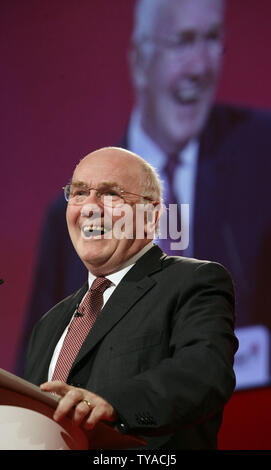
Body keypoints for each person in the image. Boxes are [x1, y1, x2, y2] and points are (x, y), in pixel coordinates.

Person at [17, 0, 271, 376]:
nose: (201, 67)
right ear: (140, 61)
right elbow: (34, 379)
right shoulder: (67, 220)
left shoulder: (261, 157)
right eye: (183, 41)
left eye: (212, 38)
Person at [24, 146, 238, 450]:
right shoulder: (49, 323)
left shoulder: (193, 281)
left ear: (151, 216)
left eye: (111, 194)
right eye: (80, 192)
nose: (89, 207)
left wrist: (114, 404)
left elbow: (204, 371)